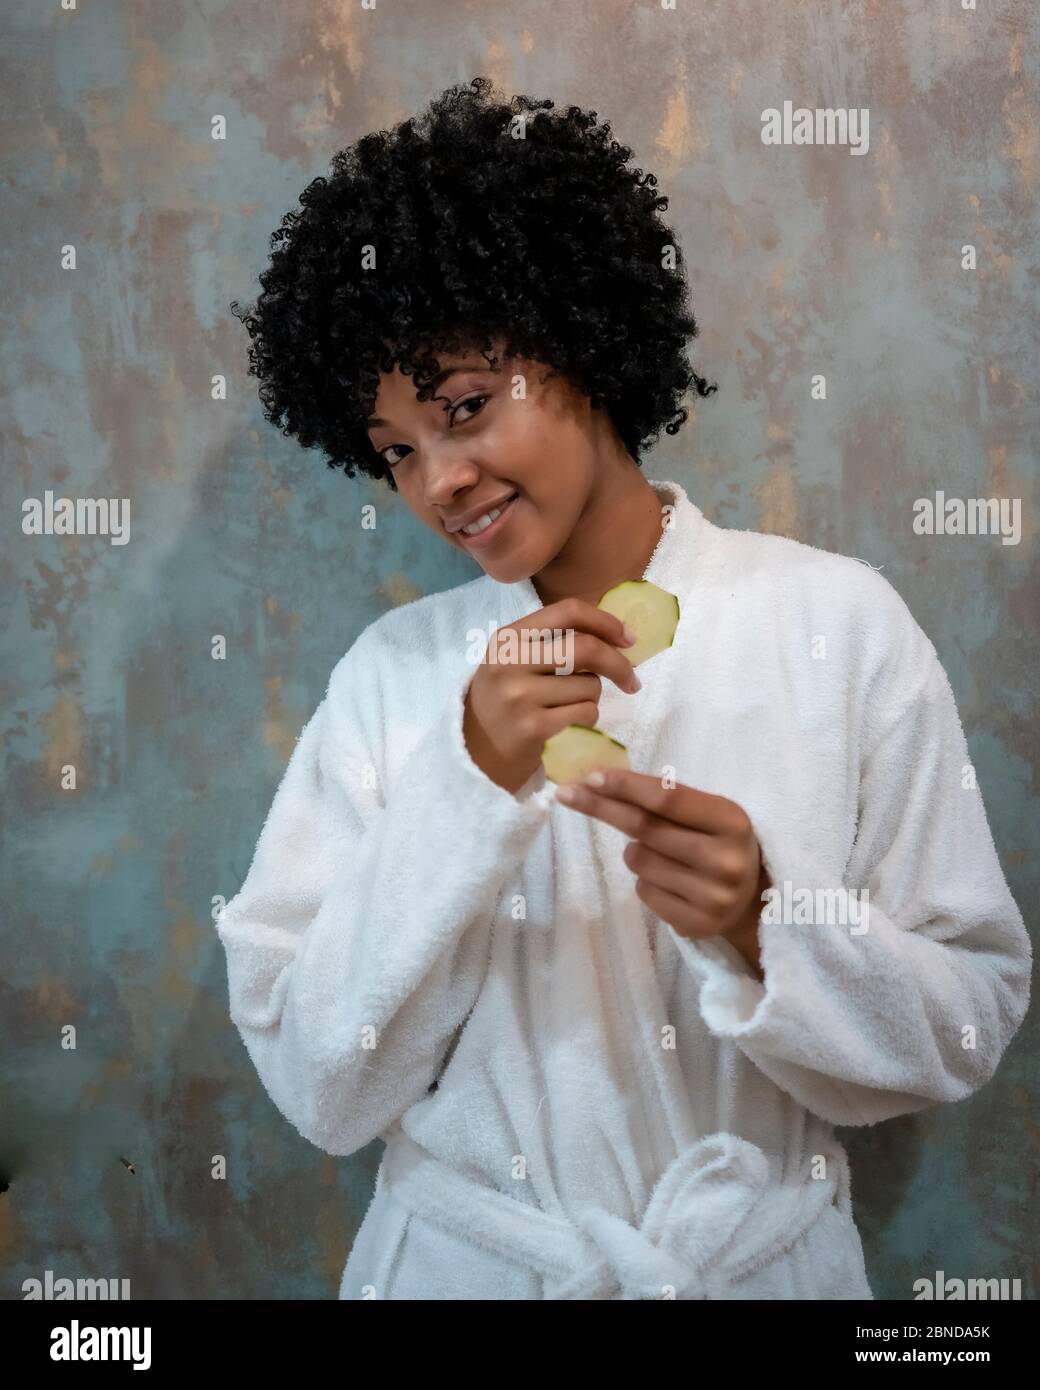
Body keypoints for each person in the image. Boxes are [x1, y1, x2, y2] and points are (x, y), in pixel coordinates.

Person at [218, 77, 1030, 1299]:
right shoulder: (395, 682)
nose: (437, 479)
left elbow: (969, 1018)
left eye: (465, 408)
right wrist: (465, 786)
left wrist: (767, 923)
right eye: (395, 450)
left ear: (584, 344)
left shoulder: (833, 625)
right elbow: (322, 1086)